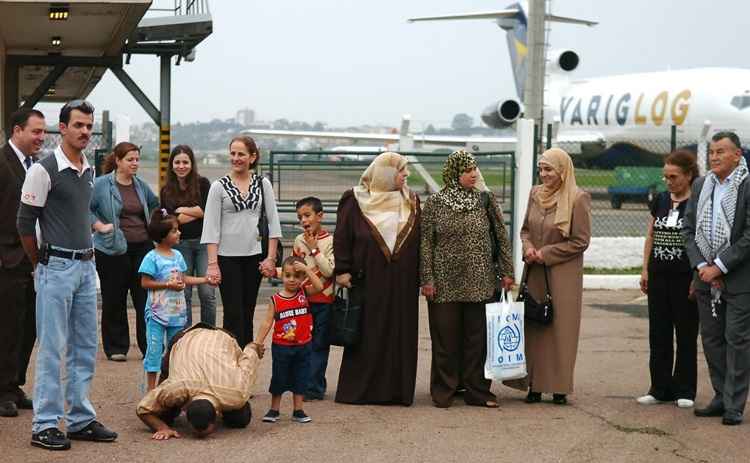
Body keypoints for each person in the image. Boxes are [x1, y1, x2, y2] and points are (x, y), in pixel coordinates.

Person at [17, 100, 117, 450]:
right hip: (55, 267)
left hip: (86, 267)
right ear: (62, 128)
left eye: (89, 126)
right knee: (52, 348)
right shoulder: (42, 170)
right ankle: (44, 424)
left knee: (85, 347)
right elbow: (25, 223)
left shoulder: (88, 169)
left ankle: (79, 418)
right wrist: (39, 263)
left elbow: (79, 216)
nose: (85, 132)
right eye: (78, 125)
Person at [420, 150, 515, 408]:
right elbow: (426, 243)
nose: (474, 174)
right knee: (445, 339)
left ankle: (477, 391)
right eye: (467, 170)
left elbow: (501, 238)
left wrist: (507, 272)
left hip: (480, 280)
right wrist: (427, 278)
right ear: (454, 173)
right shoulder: (435, 203)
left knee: (477, 340)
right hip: (444, 282)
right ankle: (445, 390)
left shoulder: (485, 199)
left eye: (475, 169)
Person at [333, 152, 421, 406]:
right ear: (385, 173)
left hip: (402, 281)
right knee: (368, 333)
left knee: (398, 332)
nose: (406, 175)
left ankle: (396, 391)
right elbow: (342, 236)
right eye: (401, 170)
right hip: (366, 278)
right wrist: (342, 269)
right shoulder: (355, 199)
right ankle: (362, 391)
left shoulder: (411, 201)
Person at [683, 131, 750, 426]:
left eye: (721, 151)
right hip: (705, 278)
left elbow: (749, 235)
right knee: (711, 339)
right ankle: (721, 395)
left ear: (738, 155)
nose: (714, 156)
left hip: (738, 279)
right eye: (712, 152)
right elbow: (688, 230)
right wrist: (701, 266)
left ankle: (735, 404)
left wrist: (720, 266)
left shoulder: (747, 186)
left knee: (736, 340)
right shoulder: (700, 185)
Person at [519, 148, 591, 406]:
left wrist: (547, 253)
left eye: (549, 169)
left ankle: (559, 387)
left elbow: (580, 241)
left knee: (560, 330)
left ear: (562, 170)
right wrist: (528, 248)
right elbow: (525, 229)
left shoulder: (577, 198)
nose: (544, 174)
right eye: (541, 169)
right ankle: (534, 385)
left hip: (563, 274)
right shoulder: (535, 194)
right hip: (535, 271)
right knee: (535, 326)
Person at [202, 136, 281, 348]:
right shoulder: (218, 186)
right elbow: (211, 228)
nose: (236, 158)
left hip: (254, 256)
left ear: (252, 157)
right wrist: (212, 264)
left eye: (241, 154)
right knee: (232, 311)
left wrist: (271, 258)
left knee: (248, 309)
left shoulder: (262, 184)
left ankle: (246, 357)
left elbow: (273, 223)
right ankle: (230, 357)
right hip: (227, 258)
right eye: (233, 153)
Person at [637, 150, 699, 408]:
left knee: (685, 333)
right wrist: (645, 269)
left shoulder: (696, 202)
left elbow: (700, 240)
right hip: (659, 276)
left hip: (684, 278)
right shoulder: (661, 200)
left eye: (673, 177)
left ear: (688, 175)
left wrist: (697, 276)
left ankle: (685, 389)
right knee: (658, 332)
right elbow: (651, 235)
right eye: (665, 177)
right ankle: (659, 387)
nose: (669, 181)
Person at [90, 142, 159, 361]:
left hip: (142, 248)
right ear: (118, 161)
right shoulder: (101, 185)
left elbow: (155, 205)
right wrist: (100, 226)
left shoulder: (140, 186)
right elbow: (85, 209)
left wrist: (156, 226)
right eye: (130, 159)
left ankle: (148, 344)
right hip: (112, 249)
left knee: (144, 299)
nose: (135, 163)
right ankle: (116, 347)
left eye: (137, 159)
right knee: (114, 298)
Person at [136, 324, 263, 440]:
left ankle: (234, 411)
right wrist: (162, 428)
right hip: (184, 337)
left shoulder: (237, 392)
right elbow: (143, 408)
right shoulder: (174, 389)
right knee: (163, 416)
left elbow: (249, 360)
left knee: (240, 419)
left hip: (222, 337)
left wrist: (254, 348)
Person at [139, 209, 215, 391]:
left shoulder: (178, 256)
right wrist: (167, 285)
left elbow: (184, 279)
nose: (179, 232)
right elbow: (145, 283)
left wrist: (204, 280)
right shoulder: (151, 257)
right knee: (155, 351)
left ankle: (170, 387)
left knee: (175, 352)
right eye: (174, 230)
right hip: (157, 314)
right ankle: (151, 391)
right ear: (163, 235)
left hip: (177, 315)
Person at [0, 108, 45, 418]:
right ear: (17, 131)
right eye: (36, 132)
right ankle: (2, 389)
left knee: (28, 325)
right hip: (7, 258)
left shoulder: (34, 166)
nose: (41, 137)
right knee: (7, 326)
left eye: (43, 132)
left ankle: (14, 383)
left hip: (32, 260)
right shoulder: (2, 163)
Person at [255, 256, 324, 423]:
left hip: (303, 345)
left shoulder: (304, 293)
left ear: (302, 278)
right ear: (282, 276)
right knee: (279, 377)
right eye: (288, 275)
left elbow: (320, 286)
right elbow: (267, 322)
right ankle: (274, 409)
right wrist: (258, 342)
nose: (292, 280)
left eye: (296, 276)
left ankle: (298, 410)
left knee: (301, 377)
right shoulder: (276, 300)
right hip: (282, 346)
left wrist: (307, 270)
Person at [160, 145, 215, 327]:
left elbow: (207, 211)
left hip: (203, 244)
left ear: (192, 164)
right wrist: (195, 212)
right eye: (177, 162)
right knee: (184, 293)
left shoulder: (203, 184)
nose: (181, 166)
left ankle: (208, 332)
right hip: (180, 245)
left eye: (185, 162)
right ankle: (186, 335)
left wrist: (182, 210)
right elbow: (170, 221)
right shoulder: (166, 190)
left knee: (207, 292)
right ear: (172, 165)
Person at [293, 196, 335, 401]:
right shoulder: (298, 240)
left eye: (307, 215)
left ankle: (315, 386)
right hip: (304, 299)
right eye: (300, 217)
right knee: (302, 341)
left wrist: (314, 248)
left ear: (320, 216)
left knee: (319, 343)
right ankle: (303, 382)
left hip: (324, 300)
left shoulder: (330, 240)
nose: (303, 220)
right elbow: (295, 269)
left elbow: (328, 271)